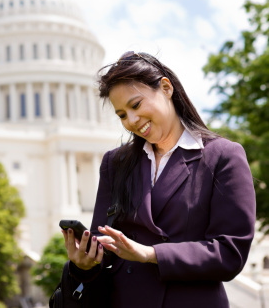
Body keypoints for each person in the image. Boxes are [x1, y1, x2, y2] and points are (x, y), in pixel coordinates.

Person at [61, 51, 256, 308]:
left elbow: (230, 253)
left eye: (136, 105)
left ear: (166, 88)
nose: (131, 121)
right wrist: (84, 263)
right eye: (121, 115)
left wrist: (151, 254)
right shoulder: (115, 163)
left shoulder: (222, 156)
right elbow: (105, 246)